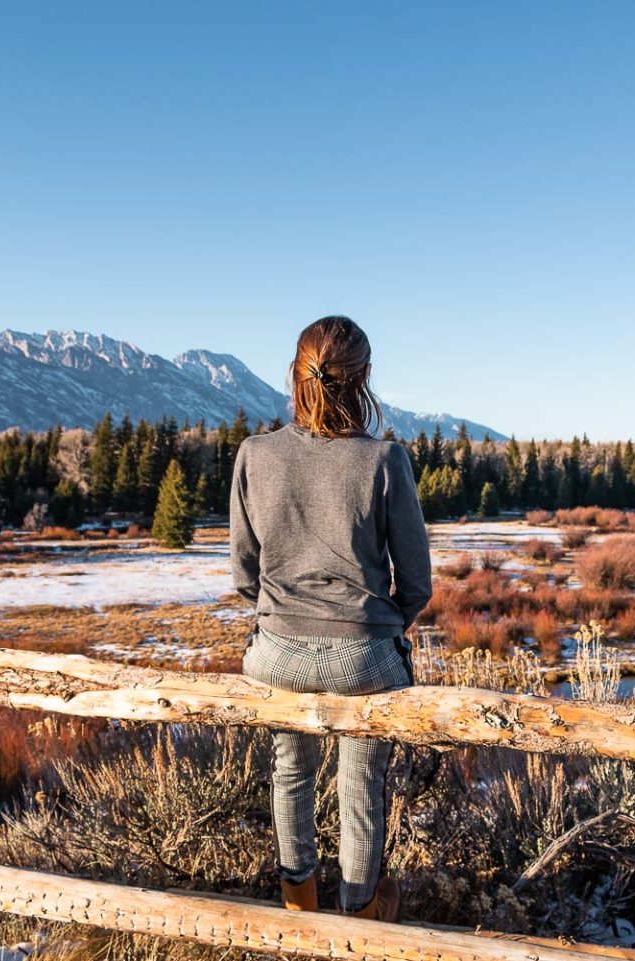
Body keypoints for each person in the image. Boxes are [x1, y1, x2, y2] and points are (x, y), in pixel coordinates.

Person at [230, 315, 433, 921]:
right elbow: (416, 583)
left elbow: (244, 574)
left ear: (297, 375)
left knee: (289, 767)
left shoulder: (254, 455)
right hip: (364, 652)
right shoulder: (384, 460)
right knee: (361, 782)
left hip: (278, 650)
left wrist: (284, 618)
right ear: (364, 378)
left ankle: (298, 905)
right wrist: (374, 626)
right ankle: (360, 911)